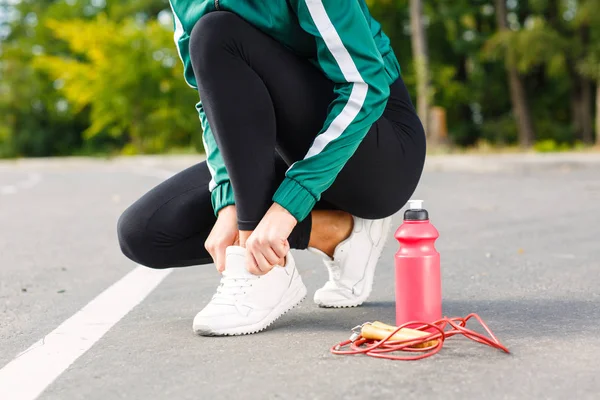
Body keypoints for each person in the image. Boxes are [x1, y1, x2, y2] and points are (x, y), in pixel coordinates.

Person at [117, 0, 426, 336]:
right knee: (145, 232)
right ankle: (339, 233)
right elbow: (211, 103)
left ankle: (264, 271)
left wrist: (288, 204)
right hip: (282, 144)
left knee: (215, 33)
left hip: (376, 144)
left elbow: (365, 87)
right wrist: (227, 202)